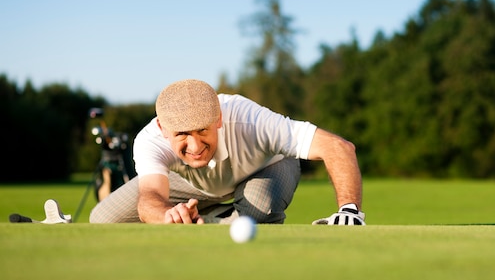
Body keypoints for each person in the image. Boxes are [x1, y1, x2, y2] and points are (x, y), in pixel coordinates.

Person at [89, 79, 365, 225]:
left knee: (258, 213)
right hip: (192, 181)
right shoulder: (149, 140)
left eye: (203, 132)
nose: (195, 147)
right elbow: (150, 197)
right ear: (162, 128)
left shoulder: (251, 120)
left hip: (265, 168)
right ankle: (212, 220)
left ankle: (221, 218)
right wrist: (165, 216)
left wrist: (349, 210)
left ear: (218, 118)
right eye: (182, 135)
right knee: (102, 219)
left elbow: (339, 147)